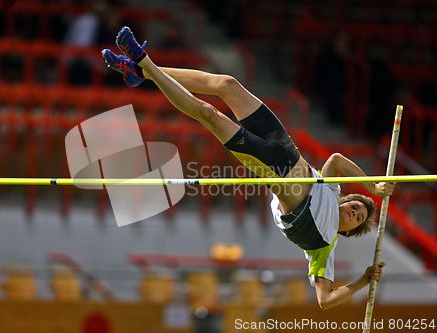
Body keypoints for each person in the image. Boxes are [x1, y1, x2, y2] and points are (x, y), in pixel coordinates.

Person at [102, 26, 393, 309]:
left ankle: (143, 62)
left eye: (357, 218)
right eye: (356, 206)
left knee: (209, 115)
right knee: (226, 85)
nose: (354, 212)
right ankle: (141, 72)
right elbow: (337, 160)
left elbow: (324, 300)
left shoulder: (324, 246)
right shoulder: (331, 189)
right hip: (283, 145)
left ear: (349, 231)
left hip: (273, 170)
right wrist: (372, 186)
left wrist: (363, 280)